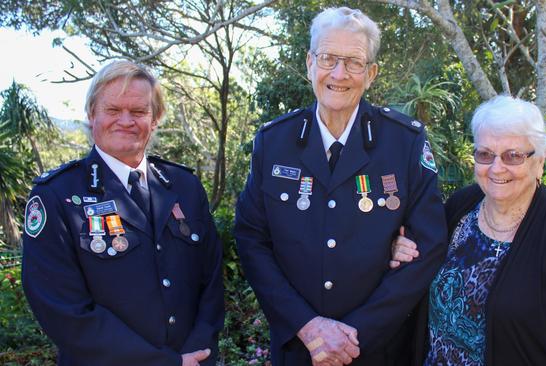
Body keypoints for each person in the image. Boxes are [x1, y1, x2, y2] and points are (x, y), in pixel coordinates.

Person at [234, 6, 448, 366]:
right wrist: (308, 326)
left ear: (371, 73)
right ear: (309, 64)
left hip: (378, 351)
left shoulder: (404, 142)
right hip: (299, 350)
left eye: (353, 62)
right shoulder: (274, 142)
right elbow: (251, 240)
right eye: (328, 58)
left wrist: (354, 335)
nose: (339, 73)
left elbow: (428, 245)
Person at [390, 95, 546, 365]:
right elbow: (424, 260)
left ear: (539, 161)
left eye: (513, 156)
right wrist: (405, 250)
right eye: (485, 154)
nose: (496, 168)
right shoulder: (460, 207)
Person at [21, 60, 224, 366]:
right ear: (92, 115)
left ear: (155, 119)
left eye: (139, 112)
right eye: (113, 110)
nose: (126, 121)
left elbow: (210, 282)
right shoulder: (56, 196)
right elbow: (63, 309)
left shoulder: (185, 187)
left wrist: (197, 352)